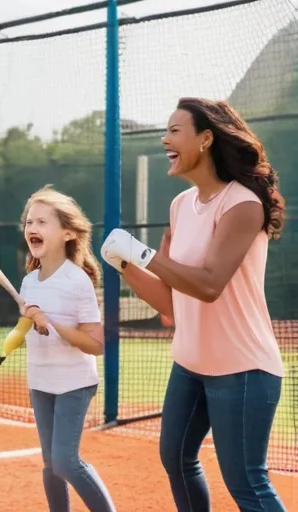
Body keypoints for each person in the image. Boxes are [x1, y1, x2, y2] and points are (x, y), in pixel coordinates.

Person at [100, 97, 286, 511]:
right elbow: (171, 302)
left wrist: (143, 254)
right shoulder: (181, 205)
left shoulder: (243, 204)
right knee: (177, 459)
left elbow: (208, 285)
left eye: (174, 131)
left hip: (242, 369)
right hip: (190, 363)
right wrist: (124, 267)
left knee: (247, 483)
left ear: (205, 139)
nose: (165, 139)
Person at [18, 185, 117, 512]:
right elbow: (30, 327)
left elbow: (96, 344)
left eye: (42, 222)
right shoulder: (29, 281)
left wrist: (52, 323)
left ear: (68, 233)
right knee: (50, 465)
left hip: (74, 384)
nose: (32, 228)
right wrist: (26, 325)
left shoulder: (78, 281)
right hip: (40, 382)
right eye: (29, 222)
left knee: (65, 461)